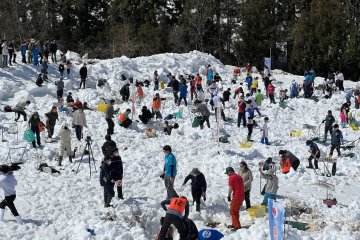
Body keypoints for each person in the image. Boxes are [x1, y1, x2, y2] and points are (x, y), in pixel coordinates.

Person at [225, 167, 244, 231]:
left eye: (227, 173)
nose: (227, 174)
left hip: (237, 196)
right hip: (241, 196)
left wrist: (229, 196)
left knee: (233, 211)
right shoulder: (239, 177)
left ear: (230, 171)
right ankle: (234, 223)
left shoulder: (232, 177)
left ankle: (237, 226)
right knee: (235, 211)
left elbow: (230, 188)